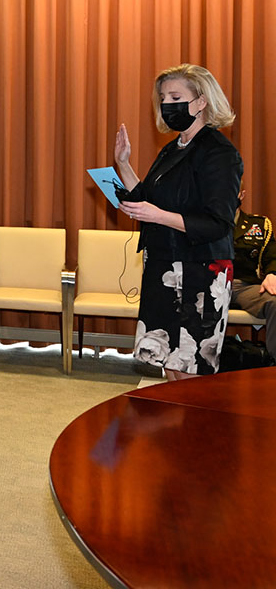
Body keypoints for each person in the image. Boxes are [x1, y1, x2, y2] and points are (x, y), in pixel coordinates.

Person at [115, 64, 243, 379]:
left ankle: (196, 429)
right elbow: (148, 198)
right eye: (163, 98)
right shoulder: (173, 149)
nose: (167, 105)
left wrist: (155, 214)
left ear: (201, 102)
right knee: (169, 366)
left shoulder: (219, 153)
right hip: (164, 266)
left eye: (176, 96)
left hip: (201, 272)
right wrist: (122, 164)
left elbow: (217, 222)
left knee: (190, 370)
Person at [230, 185, 276, 361]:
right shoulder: (204, 222)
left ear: (242, 194)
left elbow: (272, 254)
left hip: (243, 286)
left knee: (274, 301)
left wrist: (272, 274)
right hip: (210, 284)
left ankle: (272, 365)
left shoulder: (258, 225)